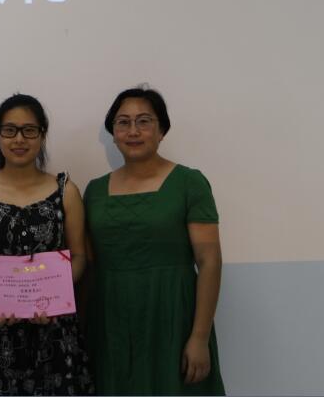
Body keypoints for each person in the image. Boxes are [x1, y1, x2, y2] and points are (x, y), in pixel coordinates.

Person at [84, 86, 225, 395]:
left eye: (144, 121)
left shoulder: (189, 183)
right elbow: (89, 265)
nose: (133, 131)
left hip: (172, 315)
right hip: (111, 320)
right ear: (113, 133)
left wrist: (199, 337)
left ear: (162, 131)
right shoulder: (94, 191)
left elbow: (209, 261)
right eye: (123, 122)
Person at [0, 94, 94, 395]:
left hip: (53, 328)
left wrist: (54, 297)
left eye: (29, 130)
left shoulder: (66, 190)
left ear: (42, 135)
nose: (19, 139)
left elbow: (79, 255)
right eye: (9, 130)